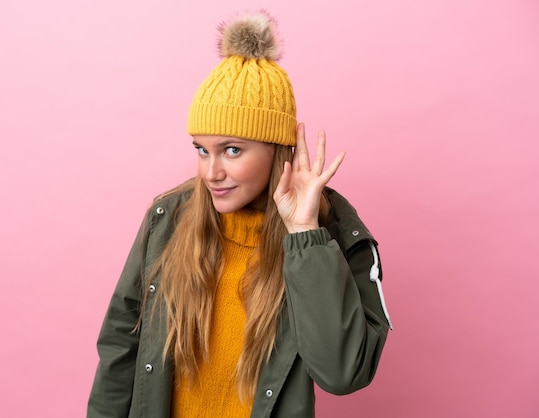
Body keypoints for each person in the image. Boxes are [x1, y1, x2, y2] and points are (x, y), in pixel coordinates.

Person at [87, 11, 392, 418]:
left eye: (232, 150)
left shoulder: (331, 237)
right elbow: (119, 351)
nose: (211, 172)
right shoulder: (168, 219)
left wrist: (303, 233)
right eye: (201, 149)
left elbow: (342, 374)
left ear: (277, 148)